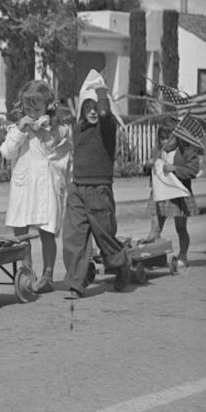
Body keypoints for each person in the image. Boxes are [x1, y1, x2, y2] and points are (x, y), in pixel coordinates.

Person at [61, 72, 131, 296]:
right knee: (74, 238)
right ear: (81, 108)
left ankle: (121, 265)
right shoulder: (77, 129)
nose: (93, 110)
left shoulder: (107, 127)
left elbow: (103, 111)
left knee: (106, 237)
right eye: (87, 106)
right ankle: (76, 283)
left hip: (99, 191)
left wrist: (101, 89)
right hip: (77, 190)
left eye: (95, 106)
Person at [0, 80, 72, 293]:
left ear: (48, 107)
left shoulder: (59, 129)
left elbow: (56, 145)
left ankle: (48, 274)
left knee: (46, 232)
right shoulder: (17, 129)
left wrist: (46, 129)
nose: (31, 113)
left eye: (37, 109)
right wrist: (21, 131)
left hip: (47, 187)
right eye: (27, 109)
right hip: (24, 187)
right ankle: (27, 270)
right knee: (21, 232)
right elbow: (7, 152)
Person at [140, 119, 200, 269]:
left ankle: (183, 255)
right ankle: (154, 257)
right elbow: (150, 170)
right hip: (160, 194)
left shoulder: (185, 150)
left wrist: (174, 168)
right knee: (155, 228)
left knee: (180, 228)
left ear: (178, 137)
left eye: (169, 137)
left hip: (178, 195)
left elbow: (193, 171)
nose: (164, 141)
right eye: (162, 138)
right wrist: (147, 165)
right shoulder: (157, 151)